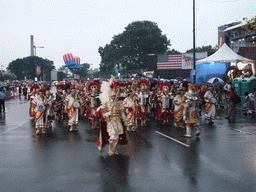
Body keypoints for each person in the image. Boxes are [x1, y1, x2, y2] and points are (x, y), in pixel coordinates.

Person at [99, 78, 128, 156]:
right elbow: (103, 114)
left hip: (118, 121)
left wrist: (125, 121)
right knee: (113, 136)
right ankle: (110, 150)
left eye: (114, 95)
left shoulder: (119, 103)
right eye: (112, 95)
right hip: (111, 122)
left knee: (117, 137)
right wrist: (108, 113)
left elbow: (122, 113)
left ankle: (113, 149)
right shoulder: (106, 104)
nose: (113, 97)